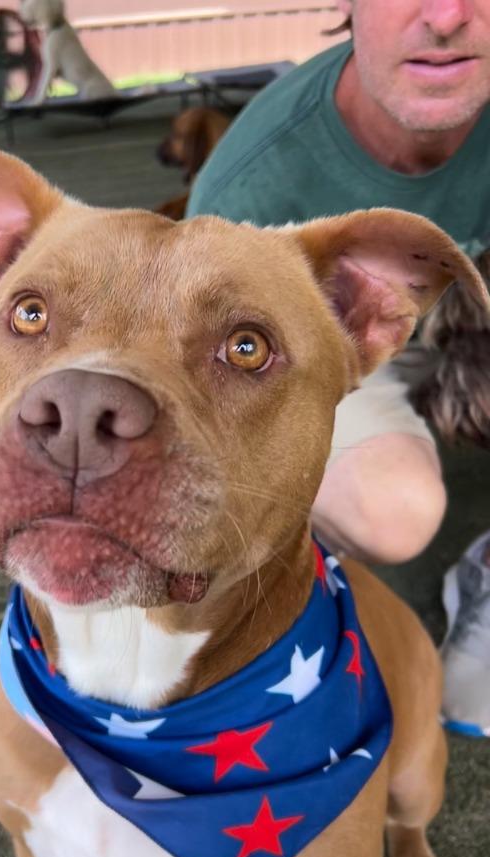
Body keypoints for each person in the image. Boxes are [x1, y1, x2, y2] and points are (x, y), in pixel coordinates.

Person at [188, 0, 490, 735]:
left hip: (465, 308)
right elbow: (216, 402)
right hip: (318, 353)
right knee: (392, 509)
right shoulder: (250, 194)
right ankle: (298, 607)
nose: (446, 15)